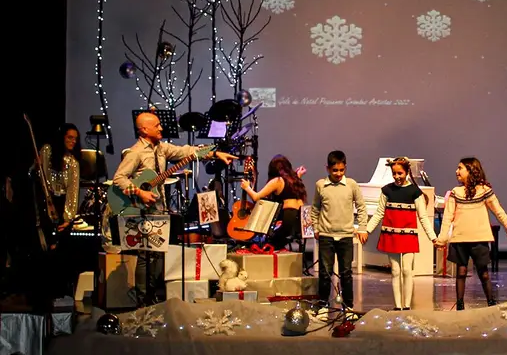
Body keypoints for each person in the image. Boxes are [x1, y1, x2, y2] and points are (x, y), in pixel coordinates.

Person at [112, 112, 236, 306]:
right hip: (141, 210)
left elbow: (187, 151)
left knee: (159, 256)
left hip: (159, 210)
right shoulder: (135, 152)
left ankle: (152, 297)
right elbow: (119, 178)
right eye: (157, 125)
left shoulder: (161, 148)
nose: (161, 128)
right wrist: (139, 192)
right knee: (145, 257)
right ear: (144, 130)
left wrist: (213, 153)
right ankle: (143, 302)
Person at [435, 157, 507, 310]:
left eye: (460, 168)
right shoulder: (455, 192)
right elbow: (447, 217)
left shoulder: (484, 191)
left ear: (471, 170)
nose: (456, 171)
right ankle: (460, 305)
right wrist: (442, 239)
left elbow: (498, 211)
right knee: (461, 271)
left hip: (479, 238)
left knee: (483, 273)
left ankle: (491, 303)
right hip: (460, 239)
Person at [365, 157, 437, 310]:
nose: (397, 177)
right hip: (391, 235)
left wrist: (433, 238)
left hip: (408, 235)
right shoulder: (387, 190)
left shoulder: (414, 192)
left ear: (406, 172)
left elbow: (423, 217)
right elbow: (379, 213)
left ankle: (407, 305)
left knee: (406, 270)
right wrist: (367, 230)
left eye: (400, 173)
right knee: (395, 270)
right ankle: (398, 306)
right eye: (394, 174)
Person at [309, 150, 368, 316]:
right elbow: (315, 209)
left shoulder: (351, 185)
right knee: (325, 272)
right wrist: (316, 228)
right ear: (327, 169)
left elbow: (361, 207)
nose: (338, 174)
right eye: (335, 170)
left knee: (346, 273)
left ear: (345, 168)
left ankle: (348, 306)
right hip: (326, 235)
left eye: (342, 170)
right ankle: (322, 305)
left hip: (346, 235)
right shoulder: (321, 185)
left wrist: (362, 227)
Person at [240, 155, 307, 252]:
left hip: (289, 219)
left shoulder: (277, 181)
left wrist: (247, 187)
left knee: (264, 243)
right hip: (301, 221)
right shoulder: (295, 180)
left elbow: (256, 197)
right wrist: (298, 175)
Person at [39, 123, 82, 229]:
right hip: (44, 200)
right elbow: (42, 175)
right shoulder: (47, 151)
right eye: (70, 137)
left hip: (61, 204)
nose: (74, 141)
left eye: (75, 139)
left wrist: (68, 217)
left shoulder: (73, 162)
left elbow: (72, 190)